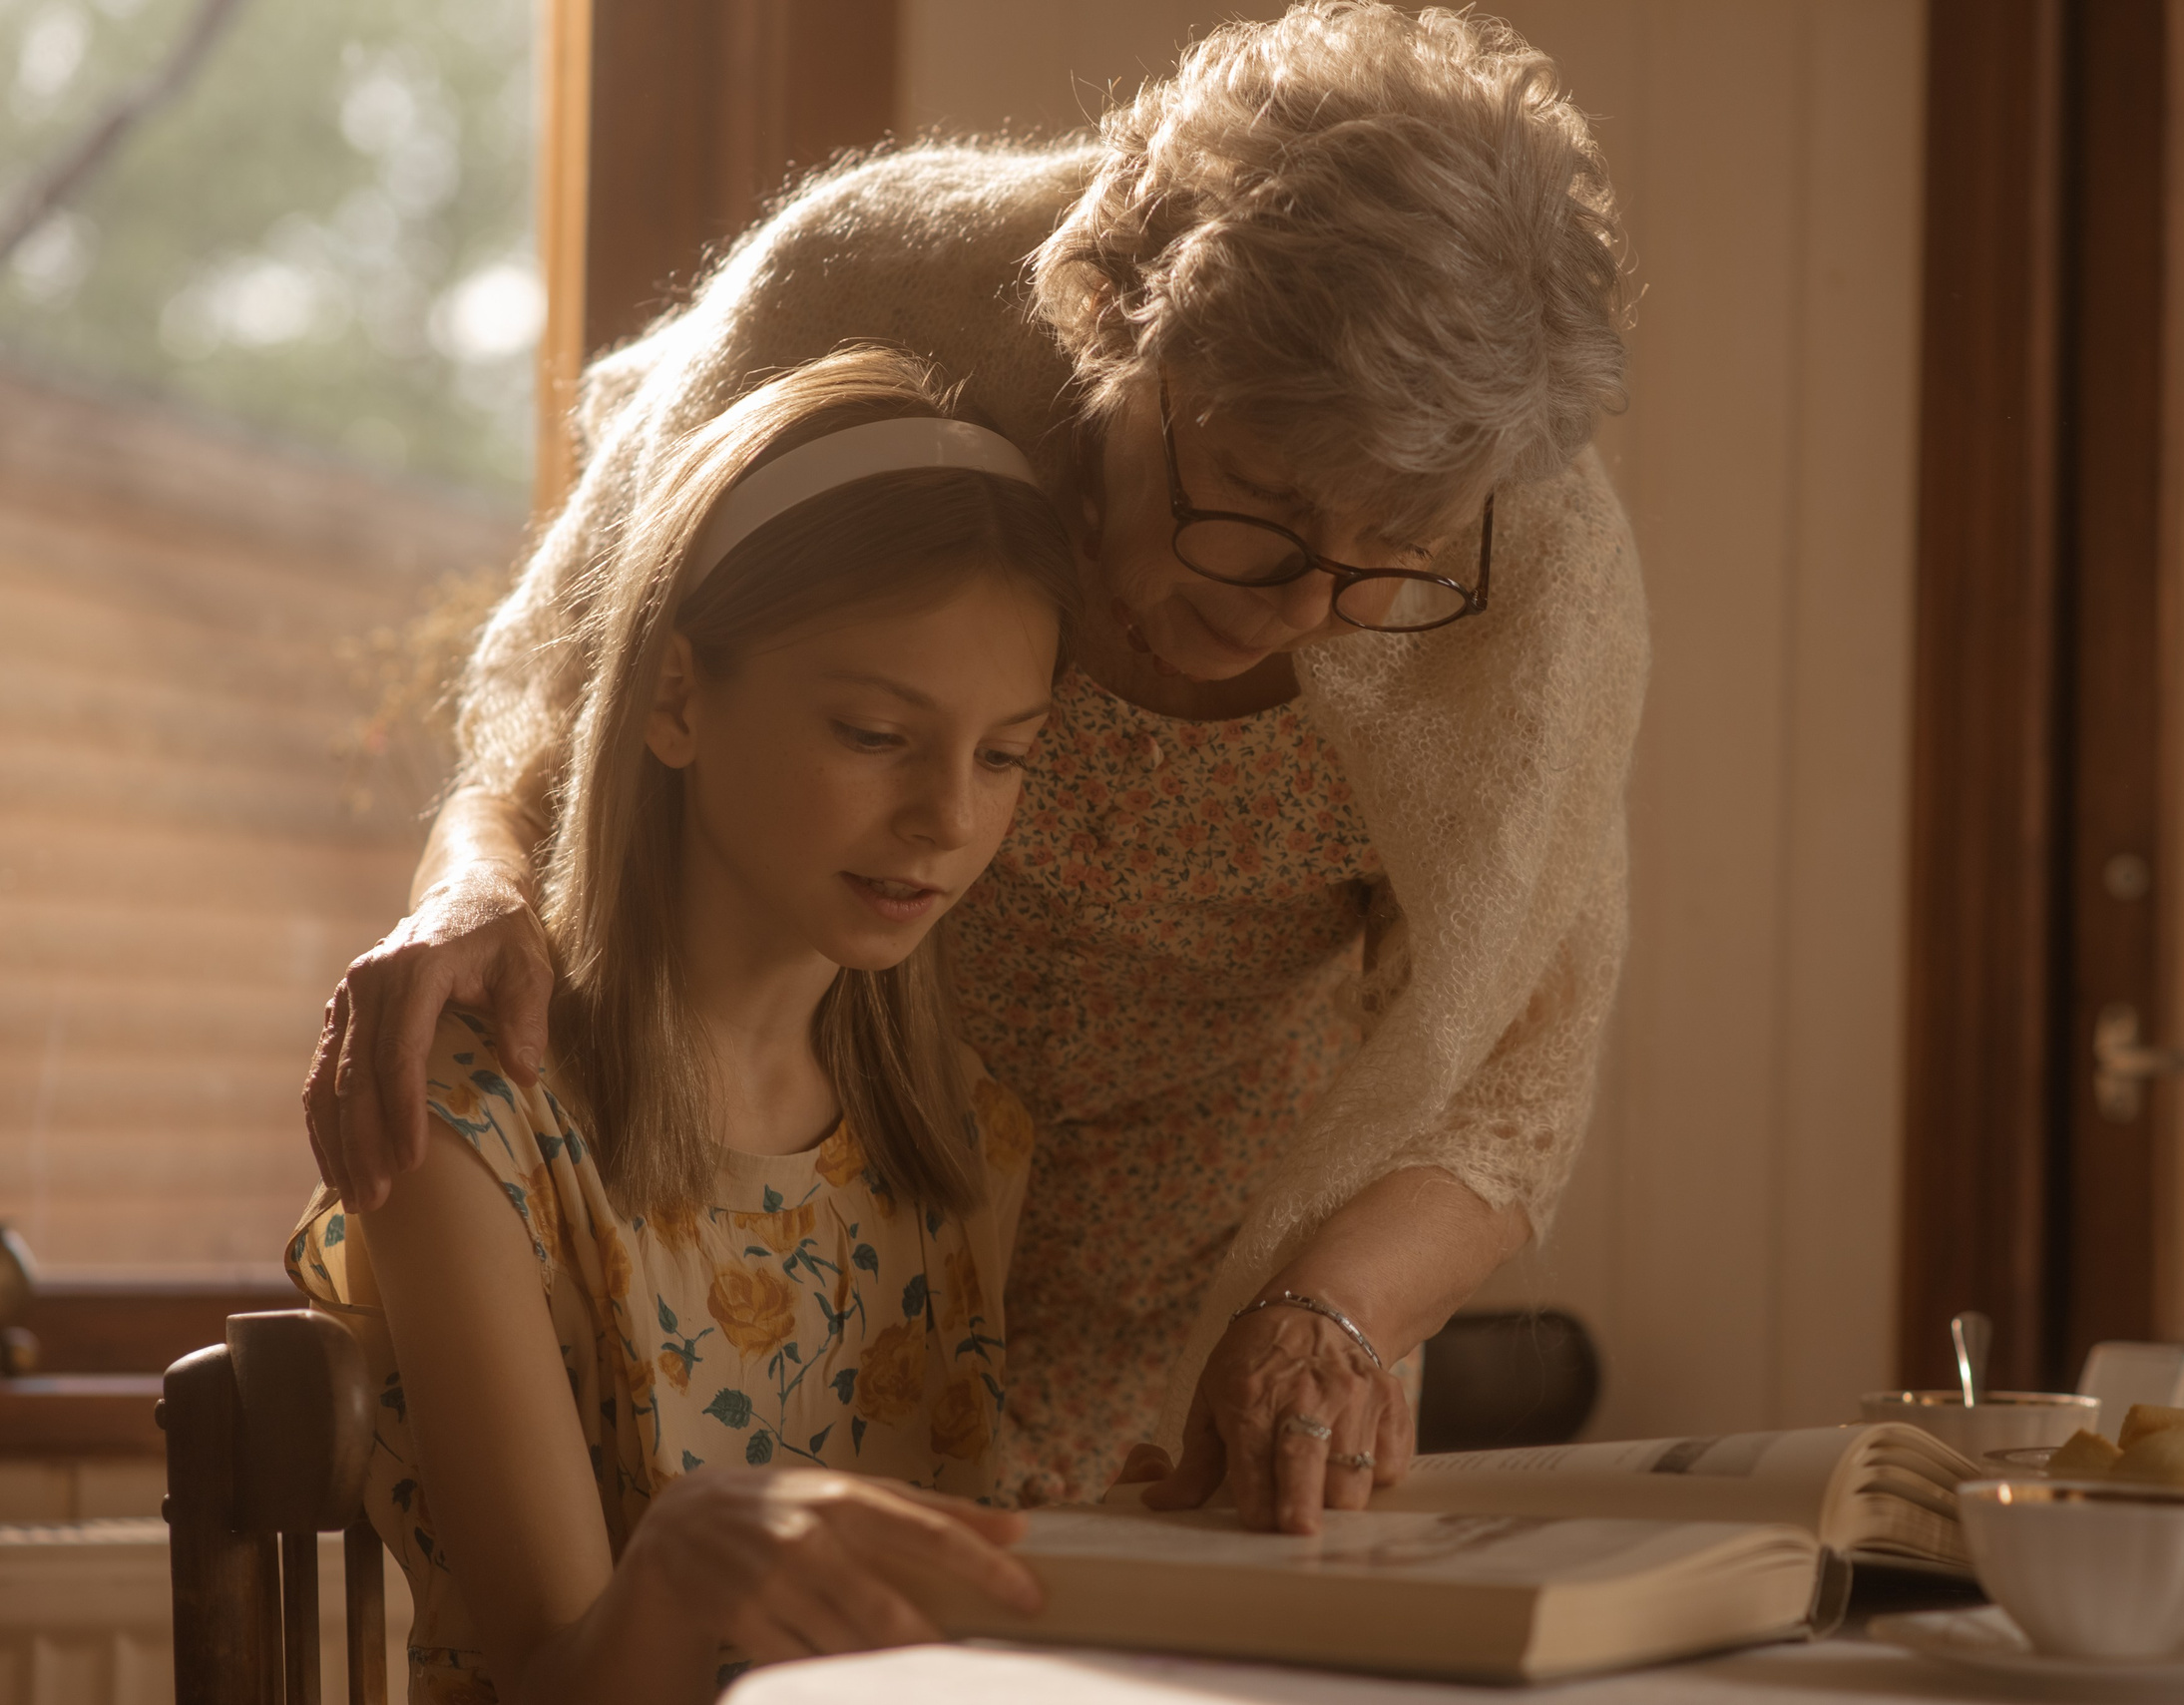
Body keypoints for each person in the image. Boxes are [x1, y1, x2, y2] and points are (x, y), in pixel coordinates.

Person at [304, 2, 1646, 1533]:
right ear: (1113, 316)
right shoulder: (884, 283)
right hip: (783, 1187)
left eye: (1383, 563)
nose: (1304, 611)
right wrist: (473, 882)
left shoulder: (1522, 548)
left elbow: (1520, 1066)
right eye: (1262, 508)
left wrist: (1328, 1312)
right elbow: (571, 692)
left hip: (1213, 1274)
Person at [286, 346, 1071, 1700]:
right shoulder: (477, 1131)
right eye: (877, 733)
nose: (950, 814)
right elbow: (548, 1675)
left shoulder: (955, 1130)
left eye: (1004, 754)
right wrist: (684, 1562)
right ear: (677, 698)